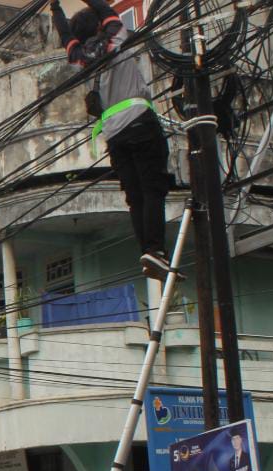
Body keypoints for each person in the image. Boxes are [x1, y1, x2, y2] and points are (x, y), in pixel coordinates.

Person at [52, 0, 171, 280]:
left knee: (135, 197)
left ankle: (149, 252)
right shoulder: (116, 38)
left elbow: (65, 36)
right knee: (153, 189)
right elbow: (107, 10)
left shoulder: (81, 56)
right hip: (140, 121)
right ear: (99, 25)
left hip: (114, 135)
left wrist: (55, 8)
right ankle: (155, 250)